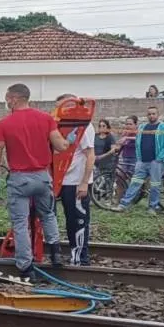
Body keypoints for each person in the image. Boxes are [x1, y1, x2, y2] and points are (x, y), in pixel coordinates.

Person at [0, 83, 69, 277]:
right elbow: (61, 146)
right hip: (42, 176)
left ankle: (26, 267)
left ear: (15, 99)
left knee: (20, 222)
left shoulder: (4, 124)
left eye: (8, 99)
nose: (7, 102)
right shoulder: (46, 118)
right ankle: (55, 254)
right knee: (48, 215)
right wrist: (69, 140)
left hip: (20, 179)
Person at [56, 96, 95, 266]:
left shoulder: (83, 126)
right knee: (70, 219)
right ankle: (74, 253)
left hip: (76, 182)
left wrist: (84, 182)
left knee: (78, 220)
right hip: (64, 180)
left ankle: (80, 258)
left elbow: (90, 155)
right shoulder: (64, 124)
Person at [114, 106, 164, 213]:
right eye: (149, 114)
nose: (151, 116)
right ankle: (123, 204)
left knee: (155, 185)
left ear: (158, 115)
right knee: (134, 183)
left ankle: (152, 207)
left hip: (156, 162)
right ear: (147, 115)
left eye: (153, 114)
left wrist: (159, 158)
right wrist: (139, 157)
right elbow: (137, 142)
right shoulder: (142, 127)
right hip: (142, 161)